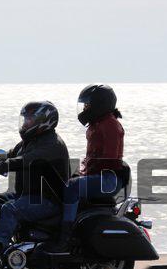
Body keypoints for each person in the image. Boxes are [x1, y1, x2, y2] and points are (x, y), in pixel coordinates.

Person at [0, 101, 70, 269]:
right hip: (26, 195)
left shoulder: (52, 144)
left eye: (30, 119)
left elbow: (24, 161)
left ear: (43, 121)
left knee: (11, 209)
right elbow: (9, 155)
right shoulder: (29, 141)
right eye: (25, 119)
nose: (25, 123)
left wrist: (1, 167)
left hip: (47, 200)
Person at [50, 84, 125, 253]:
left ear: (100, 104)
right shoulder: (97, 124)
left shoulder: (110, 125)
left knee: (72, 186)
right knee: (63, 181)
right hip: (100, 176)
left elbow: (108, 159)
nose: (84, 108)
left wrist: (82, 175)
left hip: (108, 179)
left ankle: (66, 236)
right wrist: (79, 172)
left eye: (87, 105)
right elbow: (91, 159)